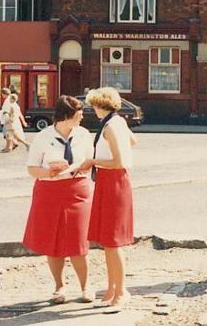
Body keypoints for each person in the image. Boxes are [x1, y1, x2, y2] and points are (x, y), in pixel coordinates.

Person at [22, 95, 94, 304]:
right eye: (79, 113)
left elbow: (89, 161)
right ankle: (59, 287)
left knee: (78, 241)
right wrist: (49, 172)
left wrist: (81, 166)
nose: (82, 117)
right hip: (49, 191)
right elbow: (32, 168)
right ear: (67, 115)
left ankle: (85, 287)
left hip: (77, 189)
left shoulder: (83, 134)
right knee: (53, 241)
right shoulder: (43, 137)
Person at [79, 87, 135, 310]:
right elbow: (133, 141)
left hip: (114, 181)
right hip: (110, 181)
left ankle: (121, 292)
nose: (92, 109)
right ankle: (112, 288)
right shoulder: (117, 122)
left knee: (112, 242)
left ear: (99, 105)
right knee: (107, 240)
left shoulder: (110, 127)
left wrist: (93, 162)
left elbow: (118, 161)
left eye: (93, 105)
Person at [0, 88, 12, 152]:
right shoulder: (9, 99)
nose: (2, 96)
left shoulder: (7, 100)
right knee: (8, 133)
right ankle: (8, 147)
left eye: (2, 94)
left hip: (7, 118)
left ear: (4, 94)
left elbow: (6, 110)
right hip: (8, 118)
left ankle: (8, 147)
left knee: (7, 133)